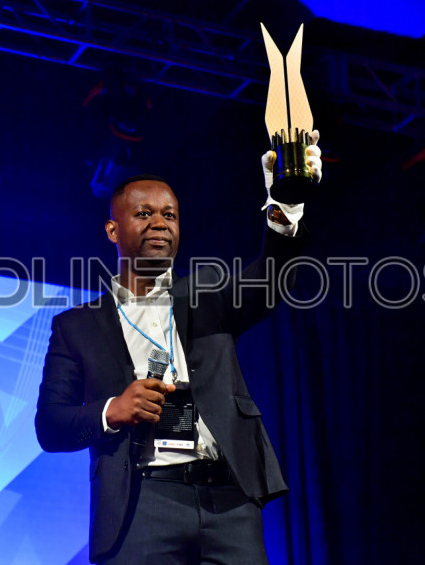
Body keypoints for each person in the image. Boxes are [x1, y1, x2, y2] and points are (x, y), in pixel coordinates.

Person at [36, 135, 322, 564]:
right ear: (113, 229)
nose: (159, 223)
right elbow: (50, 424)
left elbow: (273, 277)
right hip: (141, 505)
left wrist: (286, 205)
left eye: (169, 214)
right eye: (144, 213)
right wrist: (112, 410)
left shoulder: (209, 294)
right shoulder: (76, 327)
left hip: (229, 501)